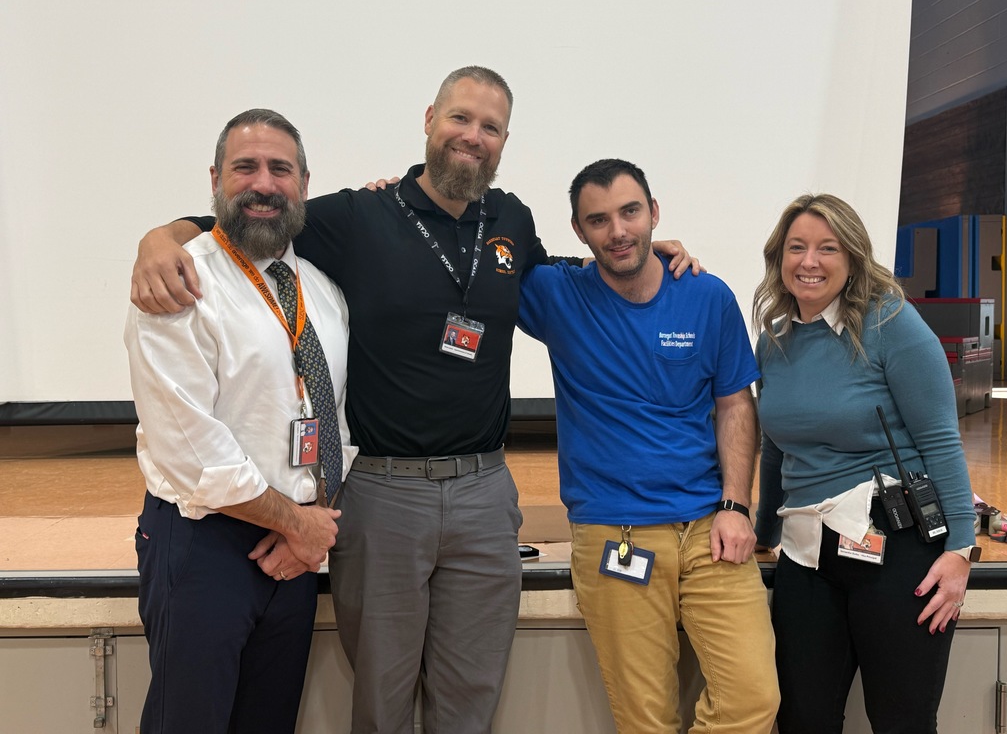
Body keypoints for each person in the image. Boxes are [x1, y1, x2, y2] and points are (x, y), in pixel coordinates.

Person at [129, 67, 698, 734]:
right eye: (460, 118)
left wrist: (642, 258)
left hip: (485, 496)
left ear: (505, 140)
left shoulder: (510, 218)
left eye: (490, 127)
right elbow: (245, 215)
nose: (472, 136)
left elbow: (566, 282)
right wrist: (159, 239)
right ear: (429, 119)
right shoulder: (359, 216)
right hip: (383, 495)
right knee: (382, 702)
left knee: (470, 701)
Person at [517, 159, 779, 733]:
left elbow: (736, 403)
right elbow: (466, 252)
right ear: (579, 231)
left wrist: (736, 506)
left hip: (712, 532)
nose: (619, 230)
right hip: (616, 535)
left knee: (754, 699)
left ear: (654, 213)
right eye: (599, 220)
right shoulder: (556, 294)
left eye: (631, 212)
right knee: (646, 722)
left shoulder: (707, 296)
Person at [124, 109, 356, 733]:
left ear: (304, 184)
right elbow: (191, 450)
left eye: (281, 169)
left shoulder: (320, 289)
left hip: (294, 551)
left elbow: (330, 416)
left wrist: (313, 520)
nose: (264, 183)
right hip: (205, 544)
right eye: (244, 167)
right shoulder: (178, 282)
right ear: (215, 180)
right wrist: (299, 525)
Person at [752, 193, 979, 733]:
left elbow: (942, 440)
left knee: (902, 721)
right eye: (797, 247)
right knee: (804, 720)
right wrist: (761, 530)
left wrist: (961, 550)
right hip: (806, 558)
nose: (810, 261)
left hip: (897, 550)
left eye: (828, 248)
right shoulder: (774, 342)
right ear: (778, 258)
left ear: (853, 257)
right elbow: (776, 447)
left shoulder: (891, 323)